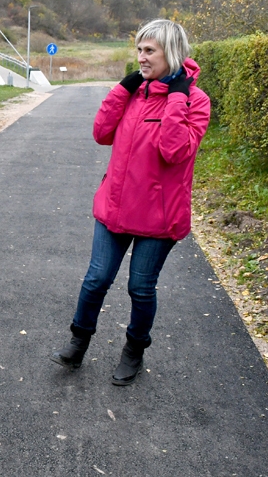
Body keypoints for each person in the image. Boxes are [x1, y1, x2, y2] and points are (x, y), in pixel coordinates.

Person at [51, 19, 211, 386]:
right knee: (96, 279)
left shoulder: (196, 101)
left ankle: (133, 351)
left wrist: (175, 97)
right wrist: (123, 90)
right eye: (139, 50)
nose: (141, 57)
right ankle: (78, 343)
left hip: (159, 216)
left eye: (149, 50)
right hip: (116, 206)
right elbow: (101, 133)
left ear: (170, 53)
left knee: (140, 288)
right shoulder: (135, 93)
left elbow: (174, 151)